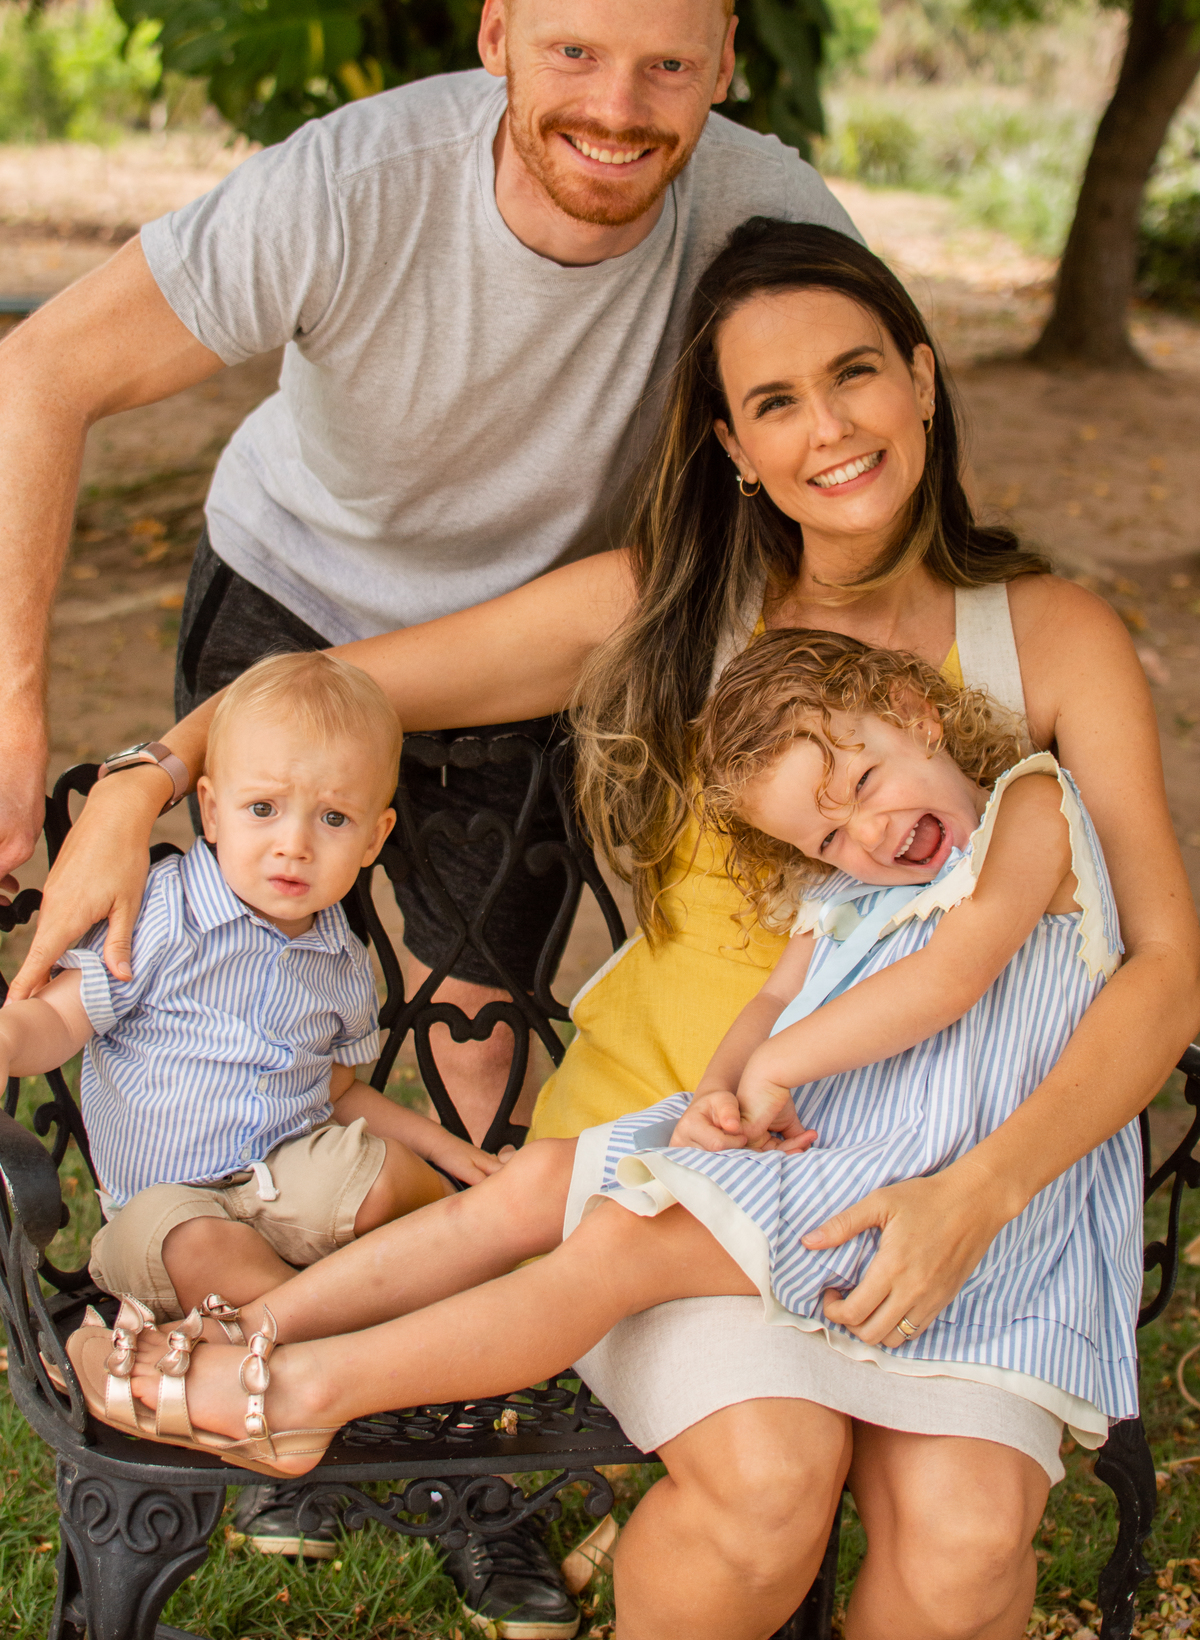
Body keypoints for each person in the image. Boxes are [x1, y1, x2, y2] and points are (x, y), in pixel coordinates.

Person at [20, 219, 1200, 1639]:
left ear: (925, 380)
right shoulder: (666, 608)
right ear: (729, 443)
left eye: (856, 373)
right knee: (770, 1483)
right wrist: (146, 778)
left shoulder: (1049, 637)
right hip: (692, 1149)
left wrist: (983, 1192)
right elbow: (339, 686)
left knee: (963, 1549)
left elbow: (1163, 964)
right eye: (774, 403)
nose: (828, 427)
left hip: (967, 1175)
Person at [0, 0, 856, 1599]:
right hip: (299, 600)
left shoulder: (772, 219)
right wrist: (24, 715)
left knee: (481, 1009)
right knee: (242, 950)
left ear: (724, 60)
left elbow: (826, 479)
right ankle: (214, 1311)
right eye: (572, 56)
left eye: (667, 68)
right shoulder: (354, 182)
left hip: (546, 636)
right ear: (496, 37)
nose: (617, 109)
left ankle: (470, 1455)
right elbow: (44, 370)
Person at [67, 627, 1142, 1640]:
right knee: (537, 1185)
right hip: (835, 1149)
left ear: (922, 711)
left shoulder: (1030, 806)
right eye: (825, 834)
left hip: (919, 1181)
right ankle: (253, 1338)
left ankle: (299, 1393)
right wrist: (727, 1084)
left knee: (618, 1249)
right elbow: (770, 1006)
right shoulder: (849, 891)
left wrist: (778, 1069)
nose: (866, 834)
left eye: (861, 784)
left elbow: (956, 976)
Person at [1, 652, 502, 1326]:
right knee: (196, 1243)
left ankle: (395, 1279)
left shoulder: (341, 958)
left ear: (373, 837)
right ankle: (321, 1324)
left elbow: (338, 1093)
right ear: (211, 810)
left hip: (284, 1185)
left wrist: (441, 1149)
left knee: (386, 1174)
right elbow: (59, 1023)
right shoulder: (159, 916)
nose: (293, 844)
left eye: (332, 819)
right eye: (263, 808)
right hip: (166, 1208)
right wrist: (6, 1038)